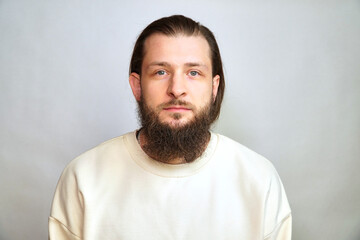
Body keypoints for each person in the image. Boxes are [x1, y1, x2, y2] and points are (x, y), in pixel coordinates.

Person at [49, 15, 292, 240]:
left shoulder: (259, 180)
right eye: (161, 72)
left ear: (214, 87)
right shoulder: (83, 178)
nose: (177, 88)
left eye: (194, 72)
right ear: (137, 86)